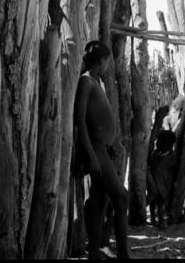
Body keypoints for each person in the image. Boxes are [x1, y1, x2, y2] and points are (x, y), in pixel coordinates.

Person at [73, 40, 130, 259]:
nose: (108, 64)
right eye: (108, 60)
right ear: (102, 60)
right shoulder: (86, 82)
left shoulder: (98, 82)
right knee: (121, 196)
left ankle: (95, 250)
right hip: (94, 149)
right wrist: (91, 156)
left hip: (101, 149)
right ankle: (123, 253)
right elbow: (80, 120)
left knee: (98, 200)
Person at [146, 130, 177, 228]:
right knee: (152, 201)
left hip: (164, 182)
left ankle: (160, 220)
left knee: (160, 202)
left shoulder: (171, 156)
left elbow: (172, 171)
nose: (157, 143)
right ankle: (152, 218)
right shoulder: (155, 153)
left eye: (159, 141)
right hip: (153, 182)